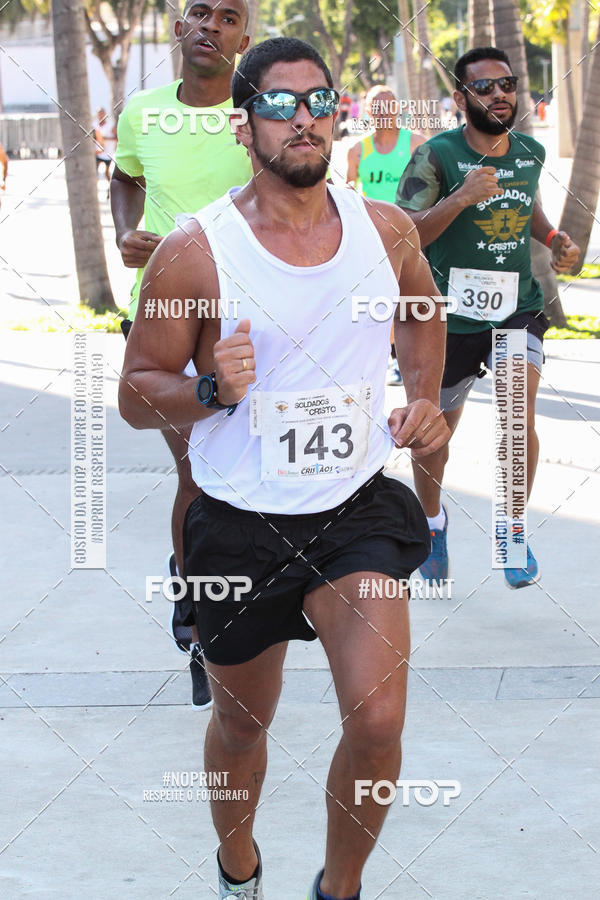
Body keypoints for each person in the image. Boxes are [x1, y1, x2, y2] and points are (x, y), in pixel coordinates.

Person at [119, 35, 450, 900]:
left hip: (354, 510)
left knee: (378, 722)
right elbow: (136, 391)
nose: (303, 119)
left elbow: (421, 310)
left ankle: (339, 891)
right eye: (278, 103)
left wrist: (422, 395)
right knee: (240, 726)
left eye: (318, 101)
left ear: (337, 115)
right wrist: (211, 388)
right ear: (244, 124)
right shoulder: (196, 250)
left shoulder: (385, 229)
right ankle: (239, 871)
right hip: (239, 523)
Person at [395, 46, 580, 589]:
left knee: (517, 415)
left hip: (515, 308)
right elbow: (404, 234)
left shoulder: (529, 152)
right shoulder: (435, 156)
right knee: (432, 435)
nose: (499, 94)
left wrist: (553, 236)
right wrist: (460, 198)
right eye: (484, 87)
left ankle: (511, 531)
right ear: (461, 98)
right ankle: (432, 524)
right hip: (445, 317)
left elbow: (525, 206)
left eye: (507, 84)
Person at [111, 0, 253, 707]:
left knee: (247, 474)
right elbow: (125, 176)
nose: (210, 26)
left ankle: (228, 593)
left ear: (244, 39)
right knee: (196, 470)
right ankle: (198, 614)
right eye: (200, 13)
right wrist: (125, 231)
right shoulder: (143, 111)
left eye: (228, 18)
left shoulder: (259, 113)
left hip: (250, 313)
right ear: (178, 27)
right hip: (166, 311)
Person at [346, 85, 425, 386]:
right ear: (368, 111)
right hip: (374, 239)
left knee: (413, 300)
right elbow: (348, 193)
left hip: (413, 234)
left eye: (389, 106)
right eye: (376, 107)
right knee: (383, 301)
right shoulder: (358, 150)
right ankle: (392, 359)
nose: (384, 112)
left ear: (398, 109)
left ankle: (415, 359)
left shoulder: (415, 144)